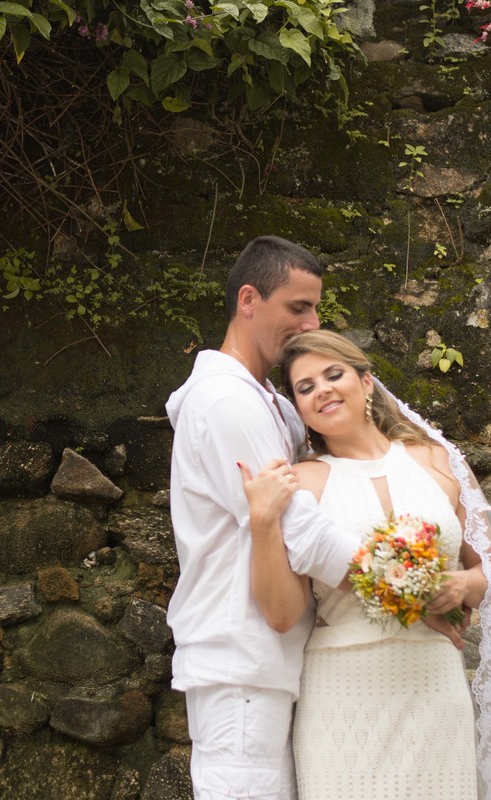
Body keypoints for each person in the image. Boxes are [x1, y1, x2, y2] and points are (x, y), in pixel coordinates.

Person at [242, 330, 491, 800]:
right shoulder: (301, 484)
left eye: (333, 374)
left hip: (433, 684)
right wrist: (263, 521)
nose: (322, 389)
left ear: (366, 382)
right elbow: (282, 614)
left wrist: (461, 585)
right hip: (341, 692)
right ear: (299, 410)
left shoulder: (437, 460)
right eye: (305, 387)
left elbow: (490, 571)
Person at [165, 236, 371, 800]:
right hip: (241, 665)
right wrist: (409, 588)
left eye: (316, 308)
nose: (311, 324)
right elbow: (298, 530)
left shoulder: (271, 403)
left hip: (273, 662)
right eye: (298, 307)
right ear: (249, 300)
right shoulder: (225, 402)